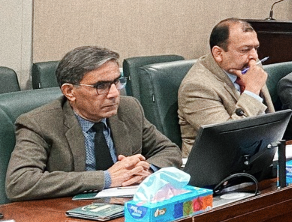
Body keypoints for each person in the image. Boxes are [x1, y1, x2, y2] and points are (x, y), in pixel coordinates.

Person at [5, 46, 182, 201]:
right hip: (68, 213)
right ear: (70, 91)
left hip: (127, 207)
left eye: (117, 82)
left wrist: (146, 170)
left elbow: (168, 150)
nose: (114, 93)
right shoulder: (39, 123)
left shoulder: (129, 108)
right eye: (101, 86)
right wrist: (106, 178)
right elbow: (19, 182)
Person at [178, 18, 275, 157]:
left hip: (257, 156)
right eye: (245, 50)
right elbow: (229, 140)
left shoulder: (250, 66)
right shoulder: (196, 86)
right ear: (218, 53)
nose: (254, 56)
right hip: (215, 163)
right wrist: (252, 92)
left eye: (256, 48)